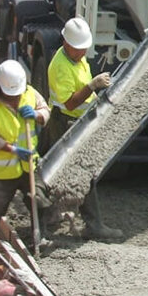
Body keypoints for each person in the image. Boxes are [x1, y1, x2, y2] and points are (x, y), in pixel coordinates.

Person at [42, 17, 122, 240]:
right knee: (78, 174)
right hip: (64, 123)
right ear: (67, 45)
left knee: (58, 172)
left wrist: (100, 93)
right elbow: (69, 103)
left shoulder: (78, 59)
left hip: (77, 120)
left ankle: (48, 215)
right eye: (79, 49)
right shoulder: (60, 66)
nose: (83, 53)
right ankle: (92, 226)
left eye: (85, 49)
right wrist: (91, 86)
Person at [0, 59, 52, 263]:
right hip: (2, 173)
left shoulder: (30, 94)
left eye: (18, 94)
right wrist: (15, 150)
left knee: (39, 200)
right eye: (11, 95)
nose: (16, 98)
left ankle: (39, 239)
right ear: (0, 87)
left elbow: (46, 110)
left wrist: (36, 114)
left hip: (28, 166)